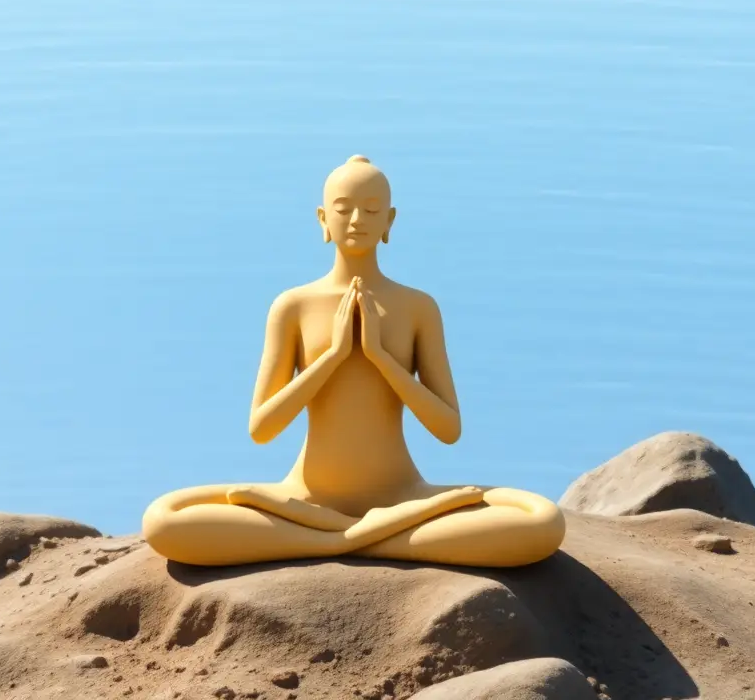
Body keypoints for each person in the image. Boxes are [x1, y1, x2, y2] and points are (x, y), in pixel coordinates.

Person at [142, 156, 565, 567]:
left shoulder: (417, 307)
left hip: (402, 493)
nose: (358, 220)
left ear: (390, 221)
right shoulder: (293, 305)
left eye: (371, 210)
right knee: (163, 521)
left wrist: (381, 358)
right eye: (344, 210)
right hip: (304, 497)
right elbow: (262, 428)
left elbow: (448, 429)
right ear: (323, 219)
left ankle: (329, 538)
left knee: (542, 523)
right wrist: (333, 356)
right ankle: (375, 537)